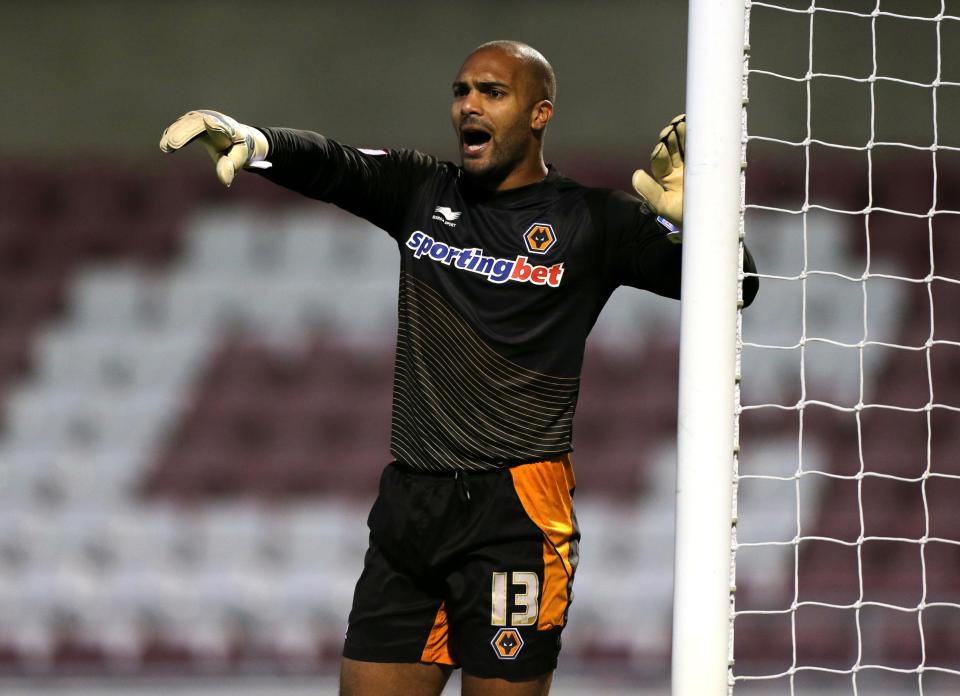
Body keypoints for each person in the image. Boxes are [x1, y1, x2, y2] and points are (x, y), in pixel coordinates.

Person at [160, 40, 758, 696]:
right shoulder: (421, 190)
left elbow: (739, 287)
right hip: (410, 508)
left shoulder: (592, 220)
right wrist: (254, 139)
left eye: (493, 92)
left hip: (516, 515)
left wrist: (700, 228)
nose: (469, 104)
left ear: (539, 113)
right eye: (461, 90)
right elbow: (335, 165)